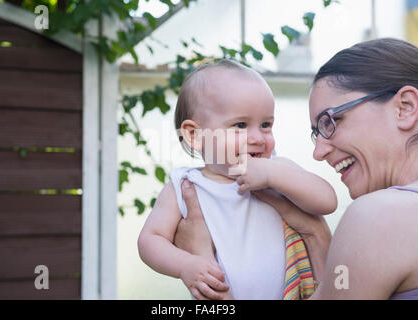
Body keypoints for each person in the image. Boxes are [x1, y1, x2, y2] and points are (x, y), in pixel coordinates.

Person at [174, 38, 418, 300]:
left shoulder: (380, 216)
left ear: (405, 107)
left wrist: (202, 259)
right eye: (317, 133)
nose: (318, 152)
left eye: (330, 122)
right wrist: (315, 233)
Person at [137, 60, 337, 300]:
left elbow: (327, 201)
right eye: (240, 125)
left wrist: (273, 174)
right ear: (194, 135)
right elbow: (150, 240)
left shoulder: (277, 169)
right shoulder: (186, 184)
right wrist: (185, 265)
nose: (257, 137)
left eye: (266, 125)